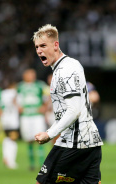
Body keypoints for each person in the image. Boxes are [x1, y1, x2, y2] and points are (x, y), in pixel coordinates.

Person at [33, 24, 103, 184]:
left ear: (56, 45)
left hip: (74, 142)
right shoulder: (70, 64)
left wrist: (49, 133)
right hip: (90, 141)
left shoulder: (65, 70)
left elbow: (74, 110)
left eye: (43, 45)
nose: (39, 51)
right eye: (37, 47)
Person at [17, 69, 48, 171]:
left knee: (40, 139)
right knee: (29, 140)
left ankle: (41, 163)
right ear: (24, 76)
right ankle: (32, 164)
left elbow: (47, 96)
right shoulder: (20, 86)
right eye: (29, 74)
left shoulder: (40, 85)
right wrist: (18, 106)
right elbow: (16, 99)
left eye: (32, 74)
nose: (31, 76)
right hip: (26, 116)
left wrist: (44, 106)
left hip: (37, 116)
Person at [0, 81, 20, 169]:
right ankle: (11, 161)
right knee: (13, 139)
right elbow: (20, 108)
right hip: (13, 119)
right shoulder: (16, 93)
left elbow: (0, 106)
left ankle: (6, 157)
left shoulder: (2, 93)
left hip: (5, 119)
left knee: (7, 138)